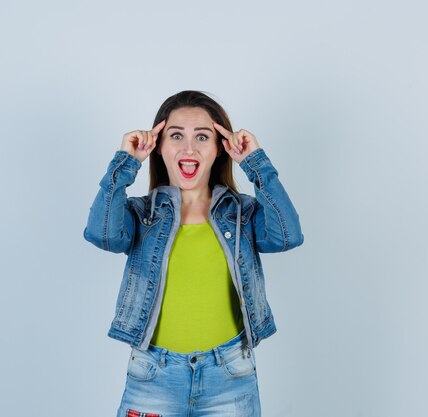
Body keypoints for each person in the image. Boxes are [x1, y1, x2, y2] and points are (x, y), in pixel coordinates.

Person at [84, 90, 304, 417]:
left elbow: (287, 236)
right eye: (176, 136)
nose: (189, 148)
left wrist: (255, 162)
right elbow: (103, 235)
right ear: (159, 147)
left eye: (202, 136)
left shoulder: (241, 214)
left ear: (219, 149)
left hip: (230, 375)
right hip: (153, 376)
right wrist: (125, 162)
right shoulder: (142, 215)